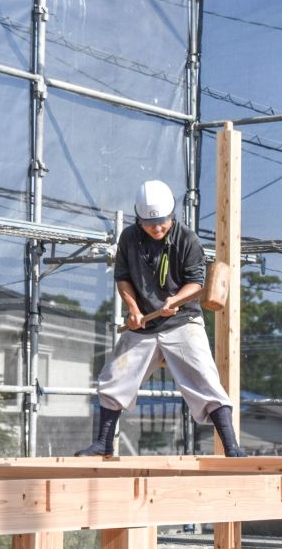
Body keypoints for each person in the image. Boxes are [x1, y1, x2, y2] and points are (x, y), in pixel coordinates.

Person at [75, 180, 246, 458]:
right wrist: (132, 308)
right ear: (139, 219)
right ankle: (103, 444)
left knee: (205, 379)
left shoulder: (187, 239)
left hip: (183, 320)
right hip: (144, 323)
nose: (156, 228)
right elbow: (123, 278)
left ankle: (232, 447)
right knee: (115, 377)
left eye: (161, 222)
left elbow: (197, 283)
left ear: (171, 215)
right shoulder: (129, 238)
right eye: (149, 223)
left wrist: (175, 300)